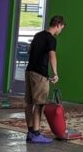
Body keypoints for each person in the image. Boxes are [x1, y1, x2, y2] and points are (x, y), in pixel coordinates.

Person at [24, 15, 65, 144]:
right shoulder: (51, 39)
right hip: (40, 74)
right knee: (40, 104)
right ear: (58, 25)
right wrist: (55, 73)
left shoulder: (38, 35)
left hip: (29, 71)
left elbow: (30, 51)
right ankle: (36, 134)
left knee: (29, 103)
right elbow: (52, 56)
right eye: (61, 28)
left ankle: (30, 132)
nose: (60, 31)